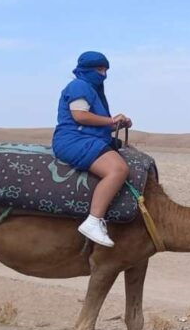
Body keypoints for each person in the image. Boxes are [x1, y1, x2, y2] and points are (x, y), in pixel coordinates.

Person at [52, 51, 132, 247]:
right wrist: (112, 120)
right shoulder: (80, 86)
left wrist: (119, 124)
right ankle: (93, 220)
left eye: (105, 69)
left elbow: (98, 123)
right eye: (99, 69)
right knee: (118, 169)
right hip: (74, 140)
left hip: (87, 138)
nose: (103, 74)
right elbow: (80, 116)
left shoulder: (93, 90)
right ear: (86, 69)